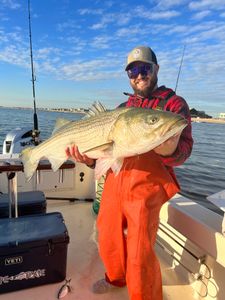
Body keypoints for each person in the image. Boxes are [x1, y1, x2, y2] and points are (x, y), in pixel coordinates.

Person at [65, 46, 193, 300]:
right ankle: (115, 277)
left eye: (145, 68)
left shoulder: (173, 104)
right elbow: (107, 151)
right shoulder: (124, 106)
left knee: (138, 249)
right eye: (133, 70)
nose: (139, 75)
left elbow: (184, 149)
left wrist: (170, 151)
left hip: (145, 184)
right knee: (107, 232)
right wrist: (88, 160)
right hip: (116, 179)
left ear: (156, 69)